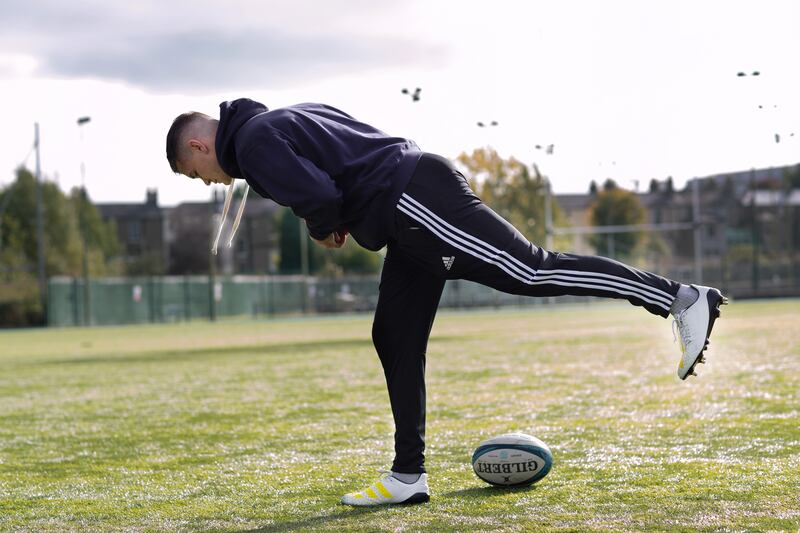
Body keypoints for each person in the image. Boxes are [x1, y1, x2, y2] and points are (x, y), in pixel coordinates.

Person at [165, 98, 727, 506]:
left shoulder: (254, 143)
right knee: (394, 335)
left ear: (198, 145)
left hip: (415, 202)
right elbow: (342, 167)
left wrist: (323, 226)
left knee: (530, 270)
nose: (208, 182)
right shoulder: (276, 120)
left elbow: (319, 194)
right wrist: (336, 214)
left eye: (196, 173)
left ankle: (678, 298)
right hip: (405, 211)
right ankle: (408, 475)